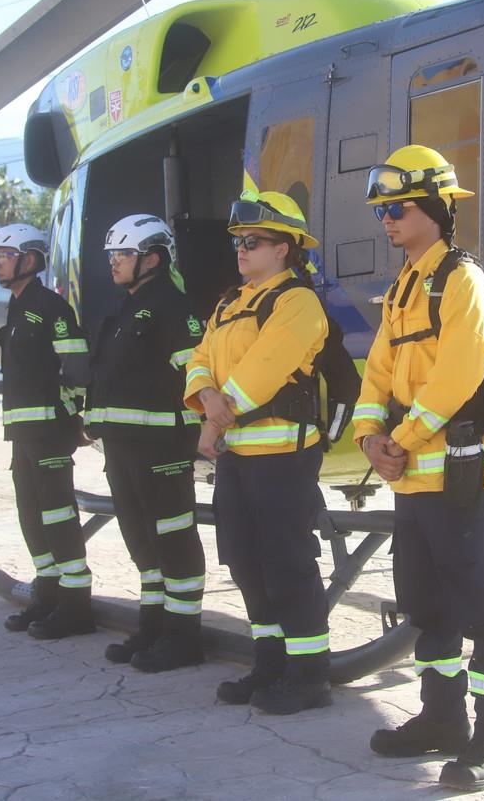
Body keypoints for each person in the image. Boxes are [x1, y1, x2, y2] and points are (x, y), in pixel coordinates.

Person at [353, 145, 484, 792]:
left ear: (435, 207)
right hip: (409, 479)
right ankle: (442, 718)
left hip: (455, 476)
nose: (387, 220)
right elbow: (377, 370)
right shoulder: (401, 286)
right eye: (383, 210)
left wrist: (399, 434)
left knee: (483, 606)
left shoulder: (463, 283)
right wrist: (370, 435)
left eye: (396, 208)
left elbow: (458, 374)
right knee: (428, 605)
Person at [184, 189, 331, 715]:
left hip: (282, 457)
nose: (242, 250)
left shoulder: (297, 302)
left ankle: (310, 673)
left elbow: (263, 371)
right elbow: (199, 357)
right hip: (238, 455)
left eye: (255, 242)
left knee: (287, 562)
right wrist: (204, 398)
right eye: (239, 242)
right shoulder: (230, 302)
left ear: (285, 249)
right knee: (245, 562)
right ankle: (269, 664)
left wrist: (214, 419)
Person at [85, 214, 207, 672]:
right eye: (112, 255)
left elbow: (197, 374)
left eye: (123, 255)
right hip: (122, 448)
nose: (114, 263)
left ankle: (183, 637)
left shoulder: (173, 308)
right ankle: (153, 627)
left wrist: (203, 431)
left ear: (152, 259)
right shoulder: (122, 310)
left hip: (162, 450)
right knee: (141, 541)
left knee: (173, 540)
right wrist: (91, 420)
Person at [0, 223, 95, 640]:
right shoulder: (16, 308)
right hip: (22, 433)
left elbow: (78, 370)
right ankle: (47, 595)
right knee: (31, 515)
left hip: (49, 432)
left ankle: (75, 605)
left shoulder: (51, 308)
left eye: (5, 253)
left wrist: (69, 416)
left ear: (29, 260)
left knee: (57, 516)